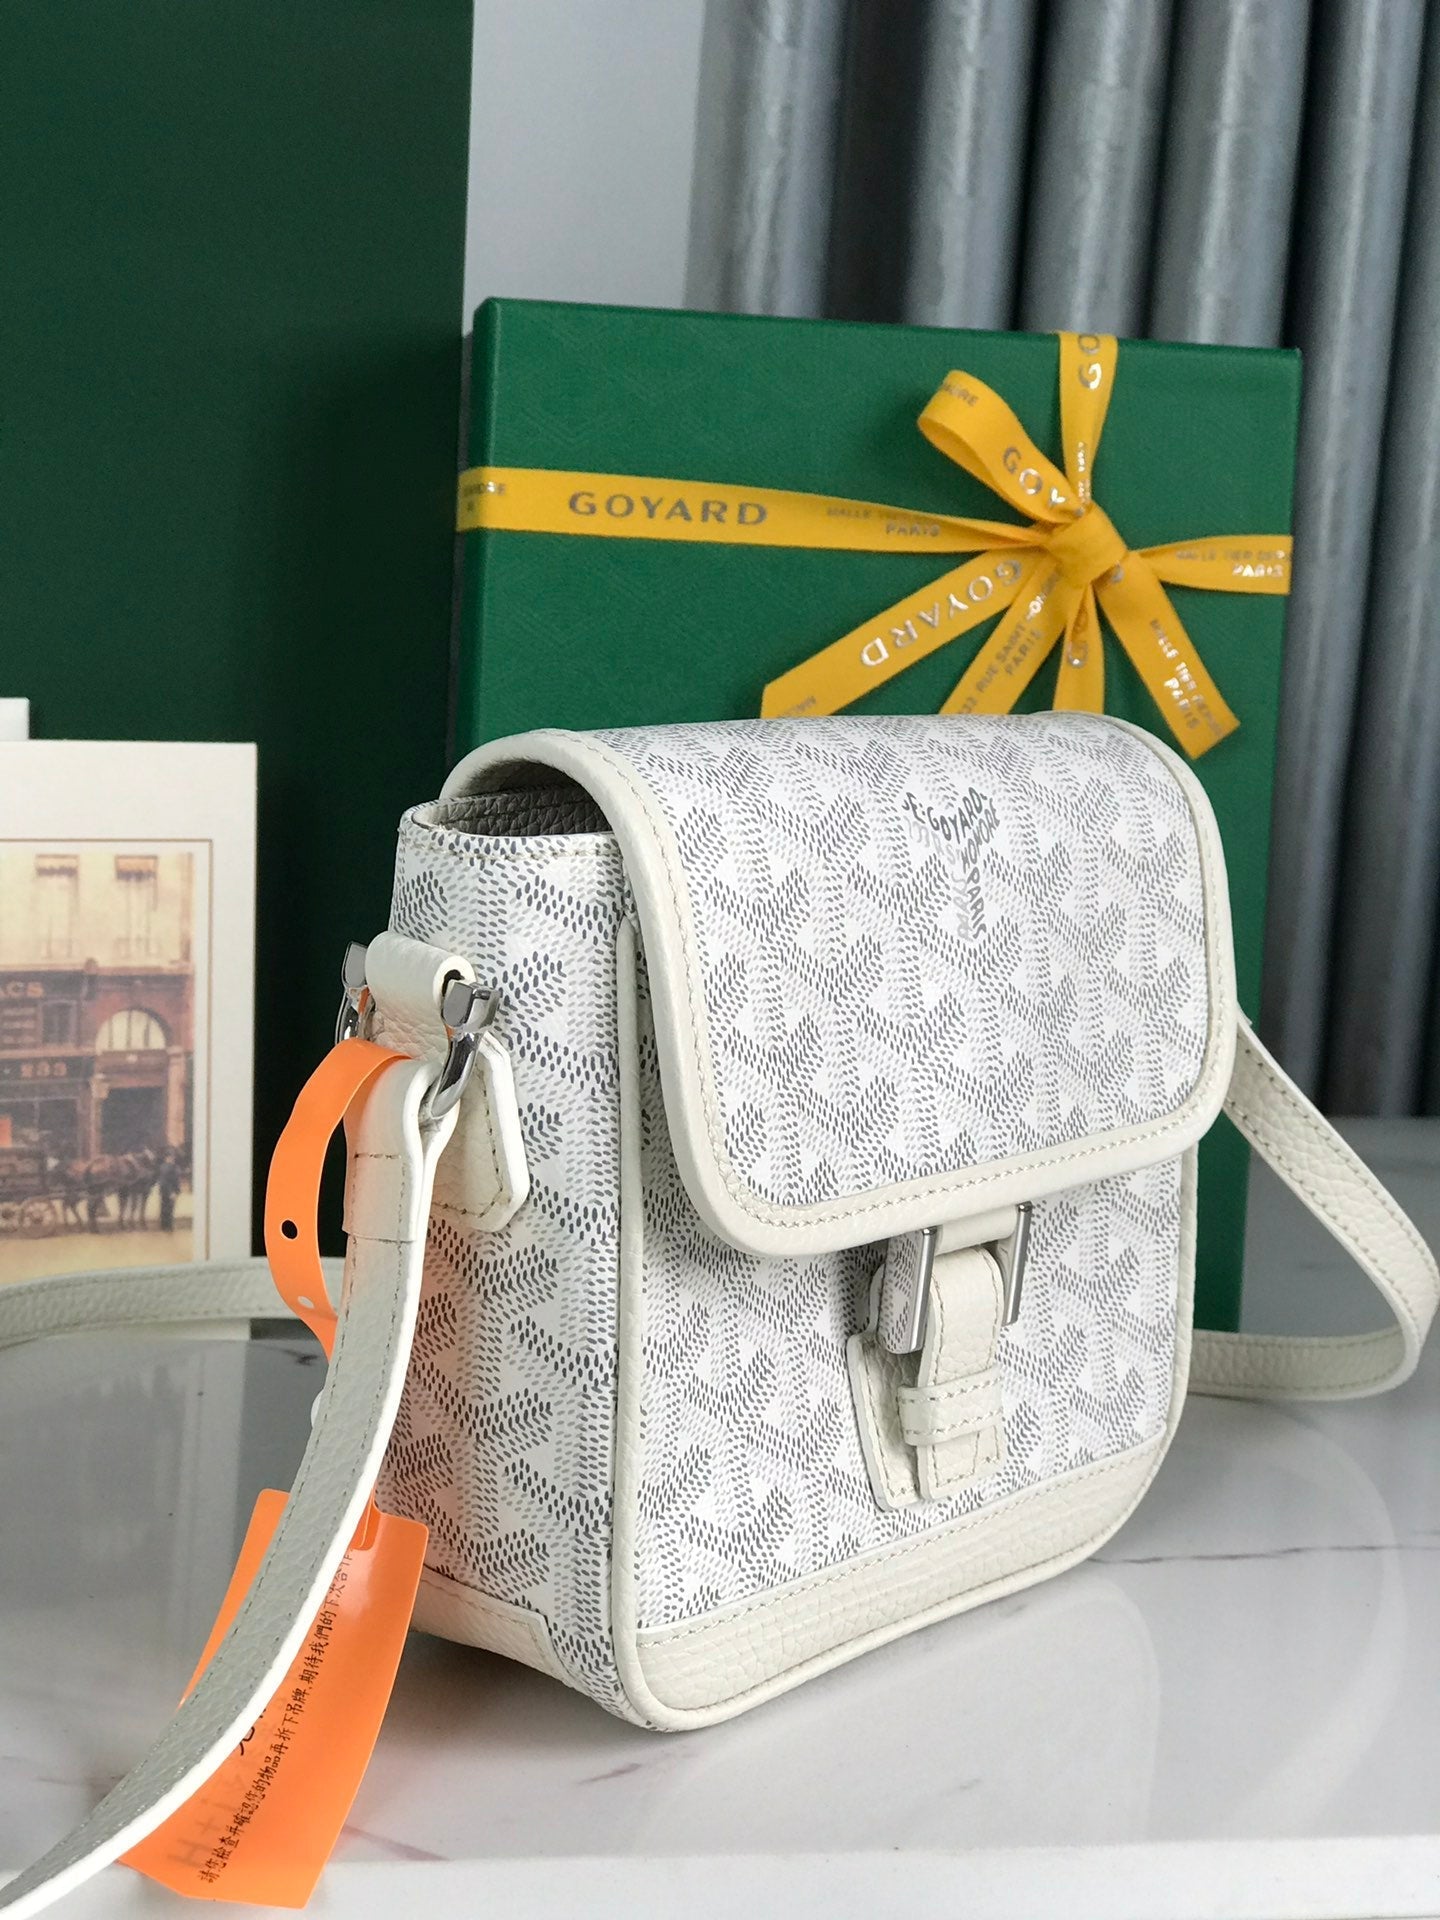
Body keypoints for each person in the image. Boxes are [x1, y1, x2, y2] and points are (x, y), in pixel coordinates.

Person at [157, 1147, 182, 1233]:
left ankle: (165, 1226)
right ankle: (168, 1226)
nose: (171, 1159)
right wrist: (173, 1192)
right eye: (169, 1157)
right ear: (167, 1158)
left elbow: (175, 1181)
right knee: (168, 1208)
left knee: (166, 1208)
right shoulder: (171, 1167)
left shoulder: (164, 1167)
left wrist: (175, 1191)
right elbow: (170, 1181)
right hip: (168, 1191)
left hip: (166, 1191)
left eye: (171, 1157)